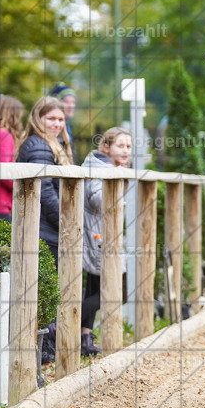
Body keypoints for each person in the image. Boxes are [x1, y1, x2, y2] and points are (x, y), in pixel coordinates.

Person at [80, 127, 132, 357]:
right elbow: (97, 199)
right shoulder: (100, 168)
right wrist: (118, 176)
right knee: (115, 287)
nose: (126, 150)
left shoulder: (106, 166)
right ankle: (62, 326)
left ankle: (84, 336)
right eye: (121, 146)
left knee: (94, 285)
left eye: (129, 147)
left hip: (100, 235)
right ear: (106, 147)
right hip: (96, 236)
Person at [16, 96, 72, 268]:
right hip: (44, 232)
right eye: (51, 119)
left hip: (43, 230)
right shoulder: (40, 147)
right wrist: (66, 222)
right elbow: (44, 192)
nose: (57, 124)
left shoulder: (44, 143)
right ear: (38, 119)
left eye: (61, 119)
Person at [49, 84, 77, 161]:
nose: (70, 106)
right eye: (66, 102)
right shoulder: (54, 129)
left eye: (73, 102)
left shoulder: (68, 127)